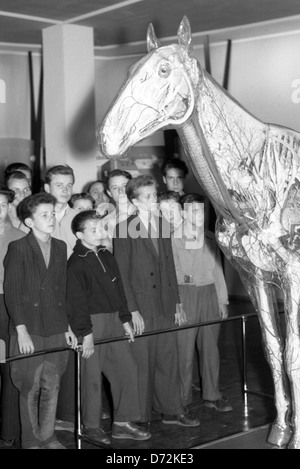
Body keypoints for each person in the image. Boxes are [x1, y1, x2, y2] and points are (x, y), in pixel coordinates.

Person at [113, 174, 200, 427]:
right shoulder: (123, 228)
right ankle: (139, 415)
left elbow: (169, 266)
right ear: (134, 201)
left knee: (168, 359)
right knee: (142, 362)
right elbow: (121, 273)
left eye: (154, 194)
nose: (154, 199)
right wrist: (131, 310)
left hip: (163, 303)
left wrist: (177, 303)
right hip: (141, 305)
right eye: (149, 196)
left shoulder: (162, 224)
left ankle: (172, 410)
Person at [67, 210, 151, 444]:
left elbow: (118, 290)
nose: (100, 232)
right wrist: (86, 334)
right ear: (79, 234)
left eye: (101, 228)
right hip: (92, 324)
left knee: (127, 368)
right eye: (93, 230)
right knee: (91, 375)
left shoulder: (106, 254)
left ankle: (123, 422)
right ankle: (91, 425)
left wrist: (125, 319)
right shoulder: (76, 263)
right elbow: (76, 303)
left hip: (114, 319)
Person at [3, 192, 77, 449]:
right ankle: (31, 440)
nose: (51, 218)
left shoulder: (60, 246)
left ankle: (49, 436)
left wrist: (68, 327)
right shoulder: (18, 248)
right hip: (30, 327)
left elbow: (62, 289)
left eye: (53, 213)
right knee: (29, 388)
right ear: (30, 221)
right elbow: (12, 293)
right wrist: (21, 331)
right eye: (44, 215)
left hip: (56, 326)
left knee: (52, 385)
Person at [172, 193, 232, 412]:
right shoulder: (172, 238)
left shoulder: (209, 237)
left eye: (200, 210)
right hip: (185, 294)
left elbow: (217, 270)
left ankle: (212, 394)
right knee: (183, 351)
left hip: (208, 294)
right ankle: (181, 400)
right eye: (193, 210)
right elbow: (171, 273)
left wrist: (222, 300)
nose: (198, 214)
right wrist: (176, 304)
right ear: (182, 212)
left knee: (210, 348)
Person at [0, 184, 25, 448]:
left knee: (11, 370)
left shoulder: (19, 237)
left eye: (4, 205)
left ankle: (9, 433)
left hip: (9, 307)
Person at [44, 165, 77, 259]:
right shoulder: (34, 218)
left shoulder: (80, 218)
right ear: (47, 188)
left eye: (69, 186)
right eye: (59, 185)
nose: (65, 190)